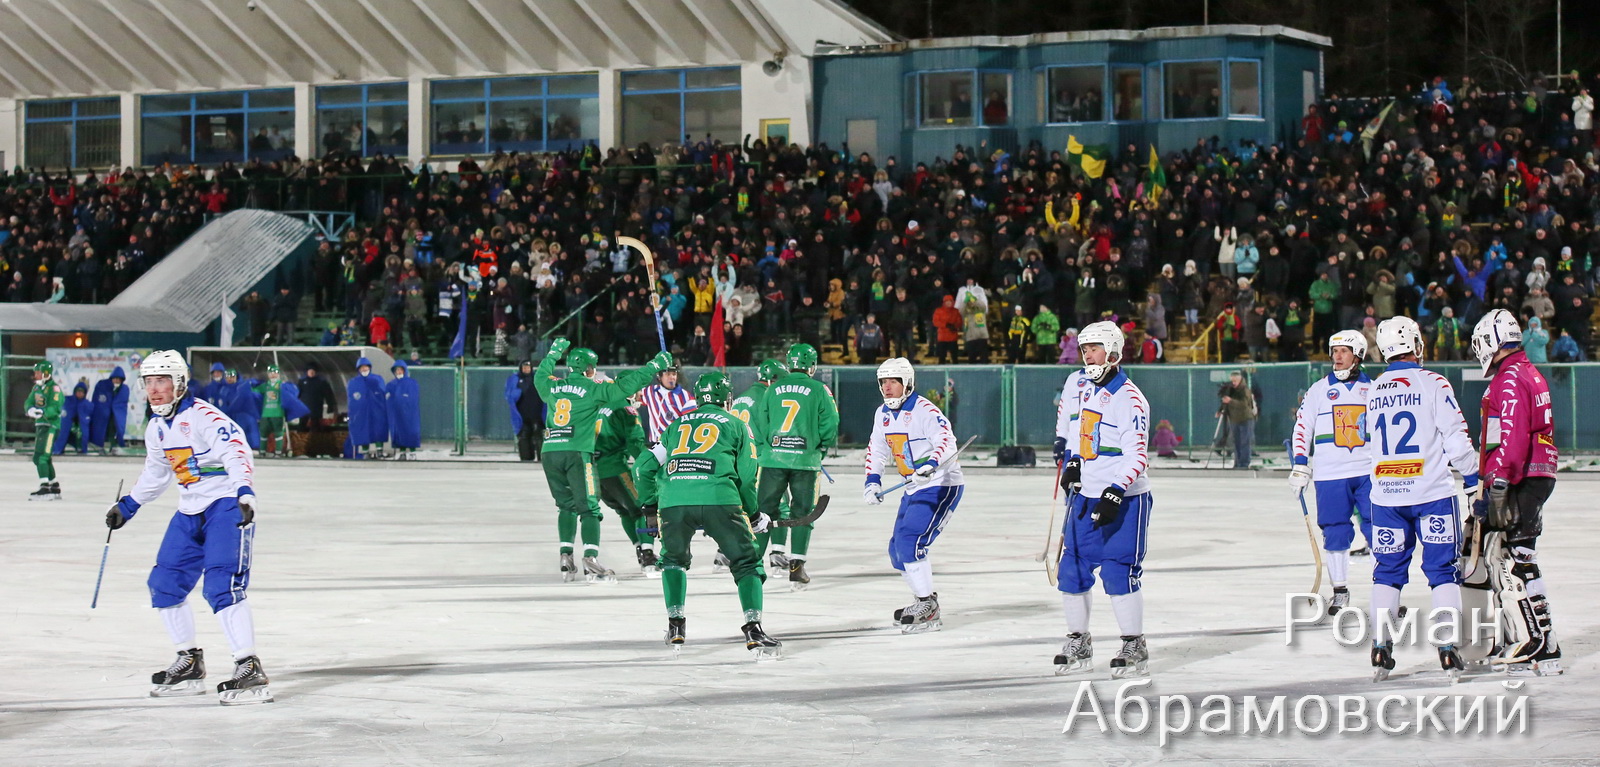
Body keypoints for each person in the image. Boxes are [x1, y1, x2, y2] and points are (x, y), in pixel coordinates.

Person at [102, 349, 272, 704]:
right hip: (190, 510)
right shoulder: (156, 428)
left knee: (221, 585)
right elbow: (156, 473)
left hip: (226, 504)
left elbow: (236, 451)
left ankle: (248, 665)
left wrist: (244, 492)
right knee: (163, 584)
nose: (154, 389)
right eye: (148, 382)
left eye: (161, 381)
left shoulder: (203, 417)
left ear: (179, 383)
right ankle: (189, 660)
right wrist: (128, 505)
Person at [633, 372, 781, 660]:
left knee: (673, 561)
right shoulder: (737, 425)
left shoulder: (675, 426)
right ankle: (754, 629)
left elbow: (642, 468)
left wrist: (651, 508)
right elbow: (747, 477)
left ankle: (675, 625)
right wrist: (752, 515)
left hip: (674, 502)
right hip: (719, 499)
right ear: (727, 398)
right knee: (747, 562)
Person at [1365, 316, 1479, 682]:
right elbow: (1456, 437)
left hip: (1386, 495)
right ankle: (1447, 648)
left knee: (1387, 572)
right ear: (1415, 344)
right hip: (1431, 493)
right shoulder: (1433, 382)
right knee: (1442, 570)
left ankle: (1380, 647)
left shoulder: (1374, 389)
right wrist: (1473, 478)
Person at [1050, 321, 1153, 677]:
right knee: (1072, 569)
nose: (1087, 355)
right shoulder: (1085, 390)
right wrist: (1074, 464)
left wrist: (1115, 490)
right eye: (1084, 349)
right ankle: (1078, 640)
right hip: (1085, 496)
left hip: (1125, 500)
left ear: (1112, 352)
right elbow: (1083, 438)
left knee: (1118, 571)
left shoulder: (1130, 398)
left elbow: (1137, 457)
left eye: (1094, 348)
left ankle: (1134, 643)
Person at [1468, 310, 1562, 676]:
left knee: (1510, 560)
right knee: (1520, 555)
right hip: (1536, 470)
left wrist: (1499, 482)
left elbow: (1512, 434)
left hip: (1521, 474)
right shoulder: (1526, 371)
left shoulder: (1509, 378)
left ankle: (1531, 642)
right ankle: (1543, 641)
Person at [535, 338, 673, 582]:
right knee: (592, 509)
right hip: (581, 454)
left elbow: (540, 377)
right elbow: (625, 389)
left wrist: (553, 353)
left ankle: (566, 556)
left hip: (549, 451)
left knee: (566, 506)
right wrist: (653, 366)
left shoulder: (553, 386)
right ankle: (592, 560)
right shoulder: (594, 390)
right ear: (590, 369)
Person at [863, 357, 964, 633]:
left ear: (907, 383)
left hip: (940, 484)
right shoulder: (882, 414)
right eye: (883, 382)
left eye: (893, 381)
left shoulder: (925, 410)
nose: (887, 387)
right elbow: (877, 449)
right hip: (913, 487)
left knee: (910, 541)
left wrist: (931, 465)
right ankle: (924, 600)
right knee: (897, 551)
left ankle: (928, 606)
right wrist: (872, 481)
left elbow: (947, 442)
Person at [1289, 330, 1376, 618]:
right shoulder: (1317, 390)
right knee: (1335, 532)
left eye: (1344, 351)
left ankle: (1385, 590)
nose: (1337, 356)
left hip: (1367, 472)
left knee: (1380, 530)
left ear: (1357, 355)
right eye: (1334, 351)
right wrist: (1301, 464)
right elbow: (1303, 427)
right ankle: (1340, 590)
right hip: (1330, 475)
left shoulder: (1374, 389)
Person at [757, 343, 840, 590]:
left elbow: (763, 421)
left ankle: (753, 566)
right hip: (806, 461)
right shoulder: (820, 389)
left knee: (762, 513)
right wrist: (820, 447)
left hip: (773, 460)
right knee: (803, 512)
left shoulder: (772, 389)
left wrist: (771, 447)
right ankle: (797, 567)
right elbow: (831, 422)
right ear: (812, 366)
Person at [730, 359, 789, 570]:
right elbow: (773, 431)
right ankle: (777, 553)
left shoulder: (740, 398)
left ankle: (724, 551)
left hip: (736, 461)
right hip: (761, 459)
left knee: (743, 507)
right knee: (779, 506)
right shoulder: (768, 396)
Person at [593, 381, 655, 575]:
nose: (640, 395)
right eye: (638, 390)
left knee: (625, 511)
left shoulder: (601, 406)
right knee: (644, 508)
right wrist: (651, 464)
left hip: (595, 471)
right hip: (614, 467)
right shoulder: (625, 409)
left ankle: (640, 547)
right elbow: (635, 444)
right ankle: (648, 555)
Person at [26, 361, 64, 500]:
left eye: (38, 372)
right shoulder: (37, 388)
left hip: (51, 427)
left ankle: (45, 487)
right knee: (38, 456)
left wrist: (43, 412)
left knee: (43, 456)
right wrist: (30, 409)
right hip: (41, 426)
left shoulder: (54, 389)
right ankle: (53, 484)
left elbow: (56, 407)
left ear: (46, 373)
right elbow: (29, 401)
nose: (35, 375)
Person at [253, 365, 309, 458]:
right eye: (271, 373)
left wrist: (288, 387)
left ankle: (278, 452)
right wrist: (251, 384)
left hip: (278, 413)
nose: (273, 375)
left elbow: (294, 392)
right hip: (266, 414)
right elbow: (254, 391)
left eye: (275, 373)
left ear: (278, 374)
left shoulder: (282, 385)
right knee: (263, 433)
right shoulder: (265, 386)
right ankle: (262, 452)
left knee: (278, 434)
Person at [640, 356, 696, 447]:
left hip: (675, 444)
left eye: (674, 374)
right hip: (654, 444)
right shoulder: (650, 391)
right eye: (668, 374)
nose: (671, 377)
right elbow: (632, 396)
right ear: (659, 377)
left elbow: (692, 424)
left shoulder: (686, 397)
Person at [345, 357, 389, 458]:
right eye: (362, 368)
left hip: (377, 410)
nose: (364, 369)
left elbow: (382, 392)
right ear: (358, 369)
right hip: (361, 412)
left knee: (378, 429)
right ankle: (365, 452)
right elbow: (352, 399)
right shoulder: (354, 382)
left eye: (366, 367)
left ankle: (379, 450)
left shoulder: (377, 379)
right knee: (363, 430)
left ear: (369, 367)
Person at [1218, 369, 1257, 470]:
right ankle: (1238, 462)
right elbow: (1226, 401)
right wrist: (1220, 410)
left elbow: (1244, 404)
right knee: (1237, 442)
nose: (1233, 383)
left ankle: (1244, 463)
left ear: (1240, 380)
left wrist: (1231, 401)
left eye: (1235, 381)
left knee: (1245, 442)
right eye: (1232, 381)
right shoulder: (1231, 390)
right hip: (1234, 419)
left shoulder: (1245, 390)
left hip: (1245, 419)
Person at [506, 359, 545, 461]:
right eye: (524, 367)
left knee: (539, 435)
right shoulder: (515, 379)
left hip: (537, 413)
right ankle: (526, 458)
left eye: (528, 367)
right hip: (522, 414)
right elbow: (509, 395)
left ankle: (543, 458)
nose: (526, 369)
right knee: (524, 435)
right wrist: (518, 392)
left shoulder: (537, 378)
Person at [89, 366, 130, 455]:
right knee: (100, 431)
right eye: (115, 378)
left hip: (115, 415)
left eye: (119, 379)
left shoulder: (124, 389)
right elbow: (96, 400)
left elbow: (122, 403)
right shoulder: (102, 385)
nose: (116, 381)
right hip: (103, 414)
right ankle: (100, 447)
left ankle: (113, 447)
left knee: (114, 431)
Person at [385, 360, 422, 459]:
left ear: (404, 370)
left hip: (410, 414)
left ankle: (412, 453)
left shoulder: (412, 383)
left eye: (400, 370)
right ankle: (402, 452)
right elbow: (388, 398)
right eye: (397, 370)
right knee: (399, 433)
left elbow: (413, 398)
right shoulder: (391, 384)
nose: (399, 372)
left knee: (411, 432)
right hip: (396, 414)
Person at [221, 369, 262, 452]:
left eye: (232, 377)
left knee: (250, 431)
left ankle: (254, 447)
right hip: (232, 416)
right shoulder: (224, 390)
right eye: (228, 377)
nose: (230, 379)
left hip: (247, 414)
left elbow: (256, 397)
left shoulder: (244, 386)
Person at [52, 380, 92, 455]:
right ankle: (58, 449)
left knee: (81, 433)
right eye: (78, 391)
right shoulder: (67, 400)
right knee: (61, 433)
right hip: (67, 424)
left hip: (79, 427)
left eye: (81, 392)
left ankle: (81, 448)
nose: (79, 393)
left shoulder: (88, 404)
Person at [297, 362, 336, 432]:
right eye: (310, 371)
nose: (311, 373)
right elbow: (297, 393)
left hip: (316, 408)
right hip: (304, 408)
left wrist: (330, 406)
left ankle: (315, 437)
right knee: (302, 425)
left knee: (315, 426)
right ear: (307, 372)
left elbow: (328, 394)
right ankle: (300, 437)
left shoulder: (321, 382)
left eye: (313, 371)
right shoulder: (302, 381)